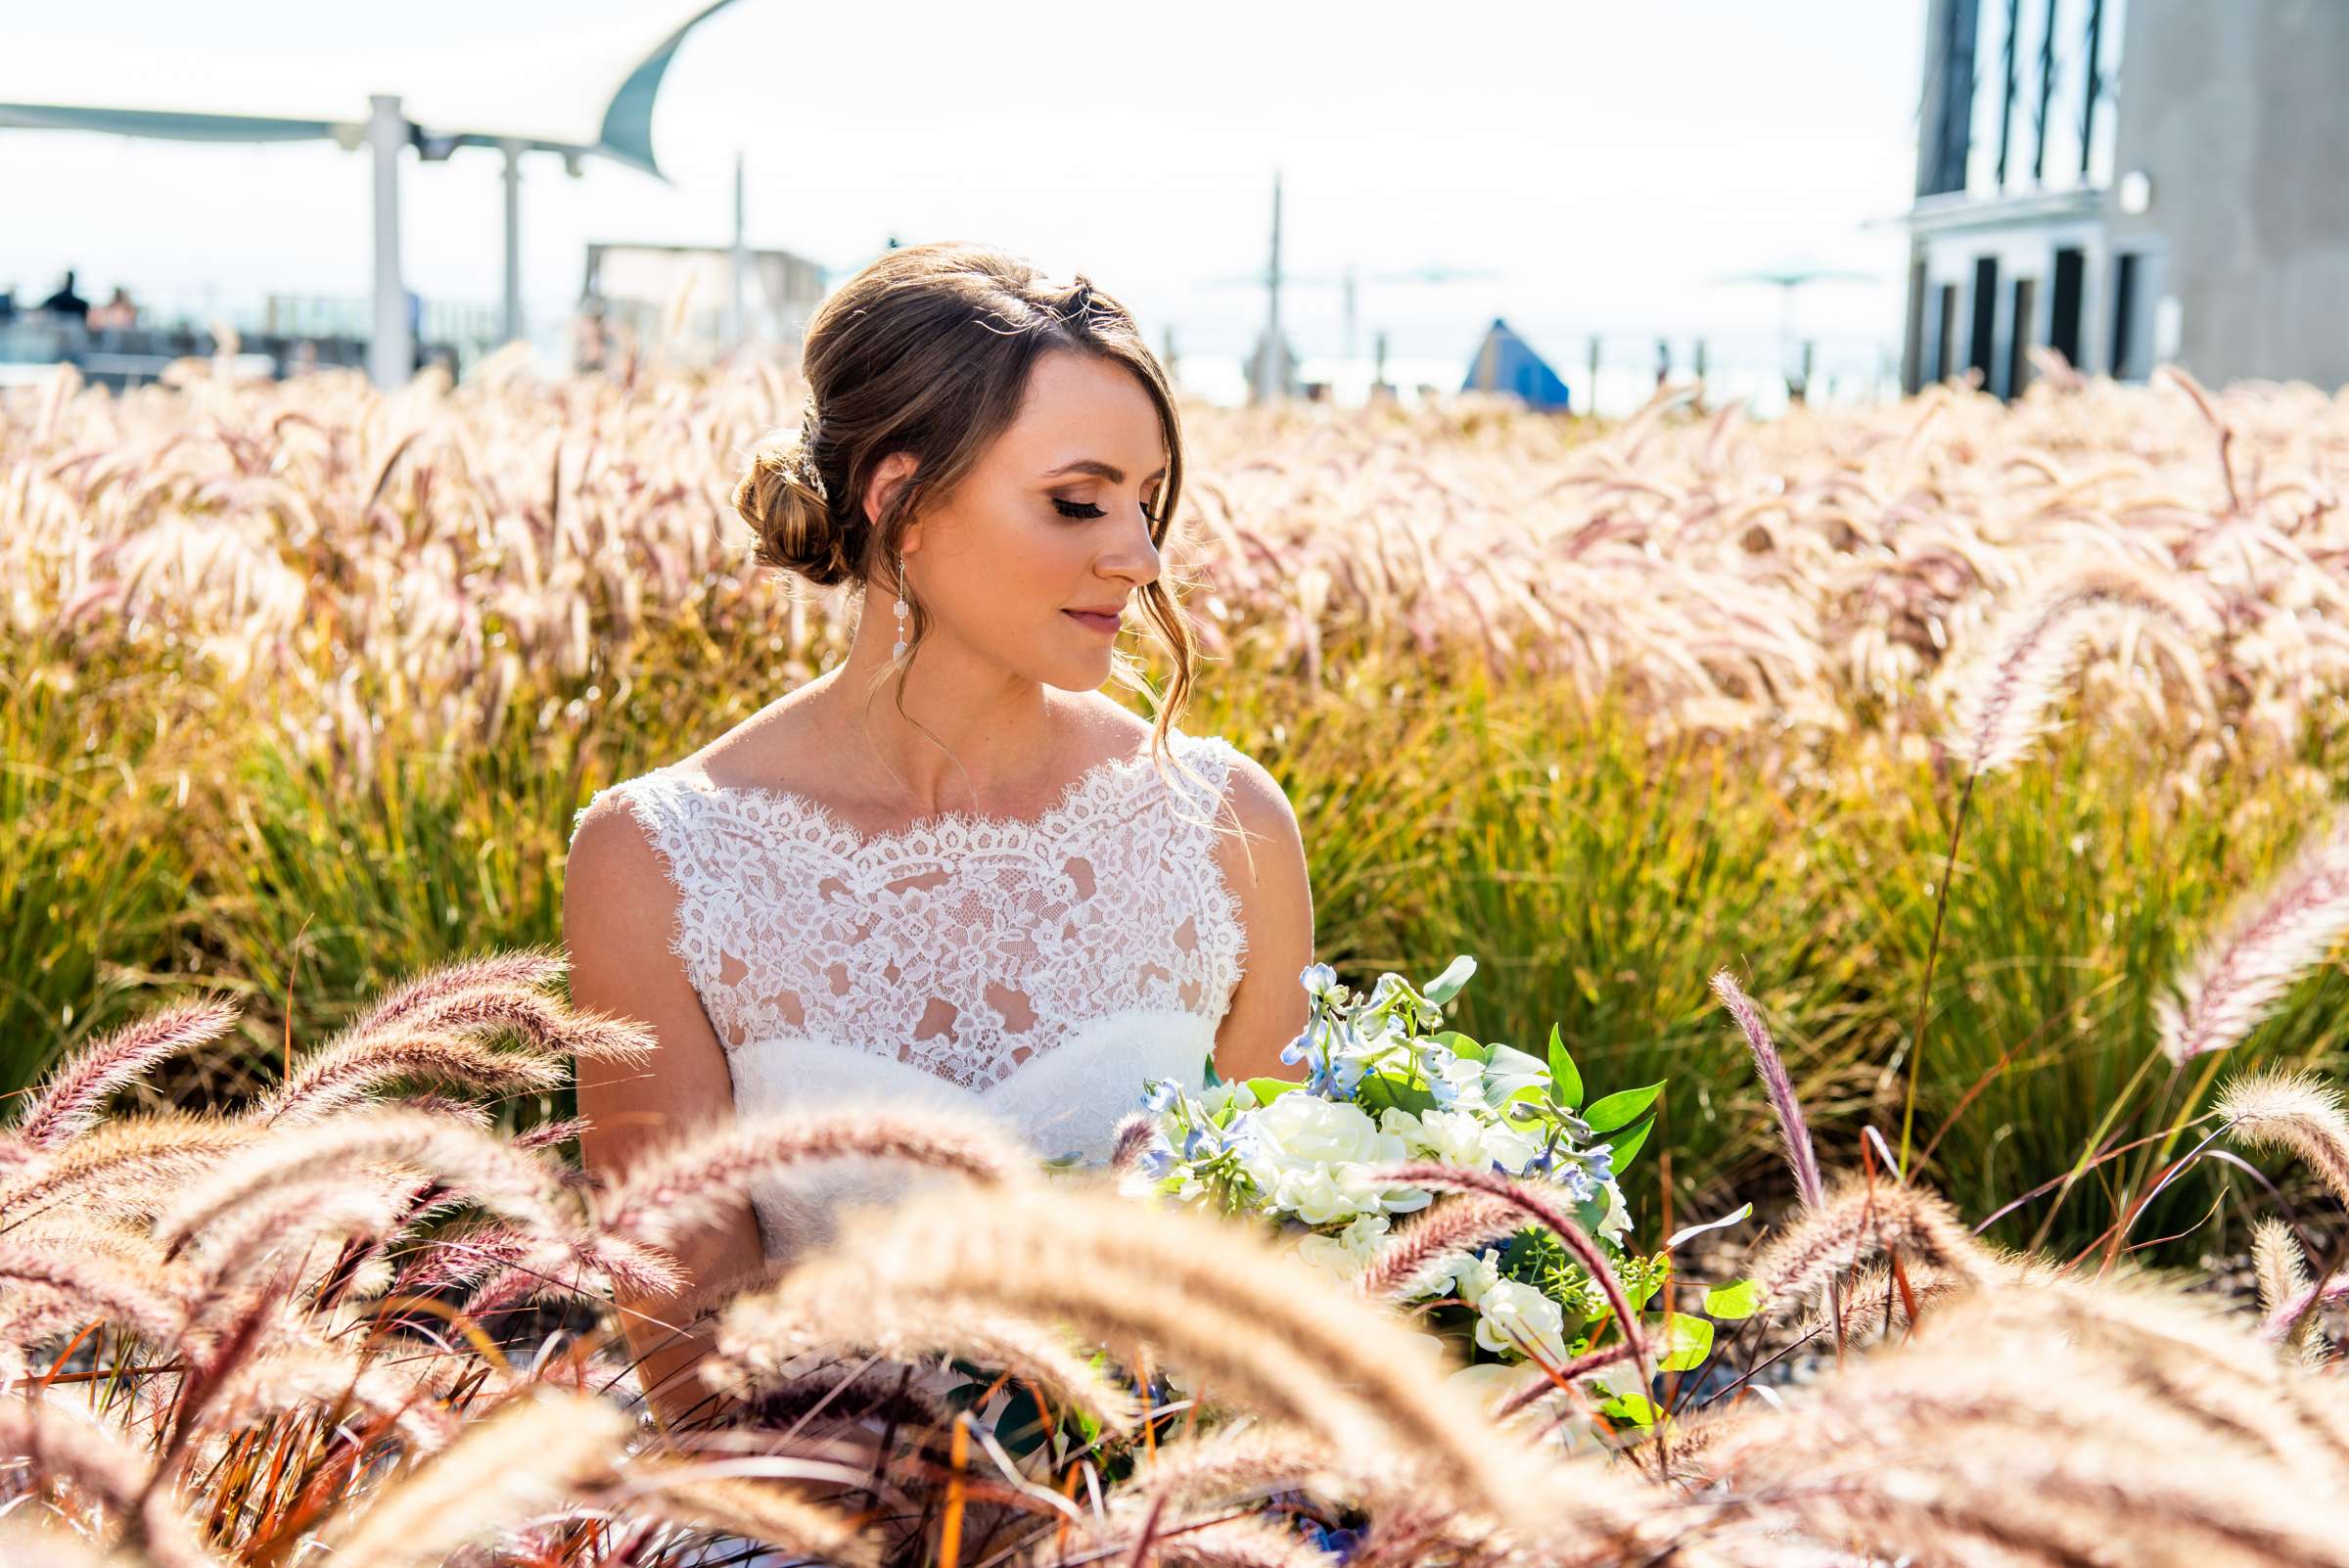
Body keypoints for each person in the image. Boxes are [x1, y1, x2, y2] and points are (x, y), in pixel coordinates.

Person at [562, 241, 1314, 1428]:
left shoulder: (1224, 829)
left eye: (1146, 500)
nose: (1141, 556)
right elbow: (689, 1355)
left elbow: (1293, 1264)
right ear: (902, 501)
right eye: (1079, 501)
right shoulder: (658, 860)